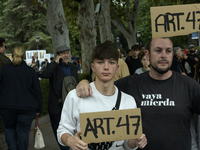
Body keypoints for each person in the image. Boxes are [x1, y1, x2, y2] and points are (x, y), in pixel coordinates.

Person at [76, 37, 200, 150]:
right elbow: (103, 86)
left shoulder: (189, 86)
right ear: (147, 54)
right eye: (158, 50)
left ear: (173, 55)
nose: (163, 55)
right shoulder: (132, 83)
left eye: (168, 51)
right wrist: (84, 81)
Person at [57, 41, 147, 150]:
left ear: (117, 68)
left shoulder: (128, 101)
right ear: (92, 67)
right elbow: (63, 130)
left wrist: (136, 141)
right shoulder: (75, 96)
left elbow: (128, 145)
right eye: (100, 62)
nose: (106, 67)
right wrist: (70, 140)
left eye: (111, 62)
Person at [0, 46, 42, 150]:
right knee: (23, 132)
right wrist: (39, 108)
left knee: (9, 131)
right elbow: (37, 91)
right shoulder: (30, 71)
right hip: (27, 108)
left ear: (12, 55)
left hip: (7, 108)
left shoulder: (4, 70)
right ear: (24, 56)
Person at [42, 45, 78, 150]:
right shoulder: (54, 67)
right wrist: (55, 62)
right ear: (58, 55)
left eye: (67, 53)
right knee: (59, 131)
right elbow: (45, 75)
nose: (66, 55)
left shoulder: (72, 67)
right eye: (63, 53)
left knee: (73, 130)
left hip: (71, 105)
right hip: (56, 107)